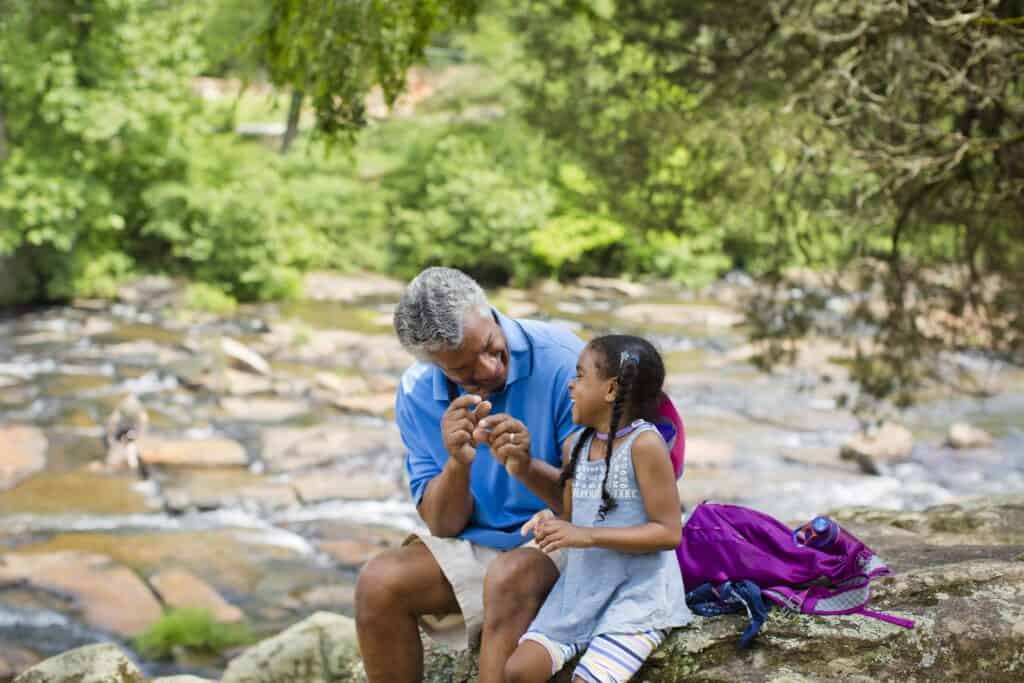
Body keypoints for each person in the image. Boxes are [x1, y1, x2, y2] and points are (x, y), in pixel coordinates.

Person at [355, 267, 584, 683]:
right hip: (485, 544)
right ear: (437, 367)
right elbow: (444, 524)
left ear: (490, 313)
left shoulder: (567, 361)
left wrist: (527, 467)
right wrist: (457, 463)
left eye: (493, 348)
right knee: (379, 583)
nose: (490, 369)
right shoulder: (417, 393)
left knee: (509, 576)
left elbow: (593, 503)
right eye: (465, 371)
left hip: (571, 534)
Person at [505, 335, 692, 683]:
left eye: (580, 375)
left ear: (610, 390)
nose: (570, 384)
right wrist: (552, 521)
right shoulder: (576, 445)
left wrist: (586, 535)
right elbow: (574, 518)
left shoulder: (644, 445)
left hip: (637, 600)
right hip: (581, 593)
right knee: (519, 671)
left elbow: (668, 532)